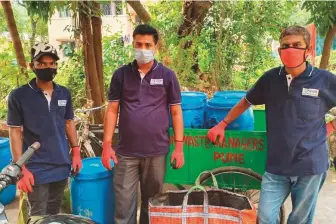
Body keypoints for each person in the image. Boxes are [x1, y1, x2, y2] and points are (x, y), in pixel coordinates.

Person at [207, 25, 336, 224]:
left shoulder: (324, 80)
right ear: (279, 51)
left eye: (297, 45)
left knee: (299, 220)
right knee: (266, 216)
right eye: (286, 45)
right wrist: (222, 123)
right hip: (277, 166)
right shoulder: (270, 79)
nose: (291, 49)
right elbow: (246, 101)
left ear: (309, 49)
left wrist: (331, 127)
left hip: (310, 164)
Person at [102, 24, 184, 224]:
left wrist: (179, 147)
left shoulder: (167, 76)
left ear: (156, 47)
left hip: (156, 152)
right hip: (126, 153)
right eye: (139, 44)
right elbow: (112, 110)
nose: (143, 48)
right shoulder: (120, 75)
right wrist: (106, 145)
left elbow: (176, 111)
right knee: (123, 206)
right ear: (133, 44)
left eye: (148, 45)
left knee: (153, 205)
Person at [6, 42, 82, 217]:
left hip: (61, 165)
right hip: (35, 169)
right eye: (41, 64)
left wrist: (76, 153)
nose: (48, 67)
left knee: (55, 214)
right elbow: (15, 132)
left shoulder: (64, 93)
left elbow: (69, 122)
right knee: (38, 216)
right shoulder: (19, 96)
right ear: (32, 65)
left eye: (52, 63)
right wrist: (21, 169)